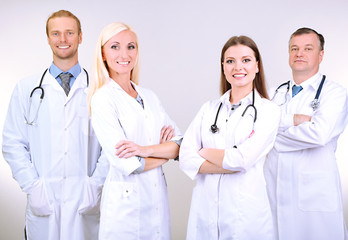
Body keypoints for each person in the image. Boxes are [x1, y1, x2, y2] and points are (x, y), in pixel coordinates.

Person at [2, 10, 108, 240]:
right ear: (48, 38)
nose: (63, 39)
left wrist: (96, 185)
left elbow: (113, 146)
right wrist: (32, 186)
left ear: (80, 37)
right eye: (56, 33)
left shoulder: (101, 89)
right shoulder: (26, 89)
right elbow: (12, 143)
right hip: (44, 199)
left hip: (85, 199)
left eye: (69, 33)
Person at [179, 35, 280, 239]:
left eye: (246, 60)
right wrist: (228, 163)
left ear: (257, 66)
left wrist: (204, 153)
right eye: (230, 61)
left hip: (245, 217)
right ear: (223, 67)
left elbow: (243, 159)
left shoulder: (269, 111)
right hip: (205, 213)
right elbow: (185, 157)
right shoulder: (208, 109)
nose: (238, 67)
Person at [87, 22, 182, 239]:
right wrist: (164, 154)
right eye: (115, 47)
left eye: (131, 46)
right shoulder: (102, 99)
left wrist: (145, 150)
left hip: (156, 200)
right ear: (102, 53)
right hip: (125, 210)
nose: (124, 54)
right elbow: (130, 164)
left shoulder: (149, 96)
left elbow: (180, 144)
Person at [265, 27, 348, 240]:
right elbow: (255, 134)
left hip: (314, 198)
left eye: (307, 48)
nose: (299, 53)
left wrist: (272, 135)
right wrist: (292, 121)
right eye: (294, 48)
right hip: (272, 191)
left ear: (320, 55)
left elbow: (319, 135)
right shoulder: (273, 93)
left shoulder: (334, 93)